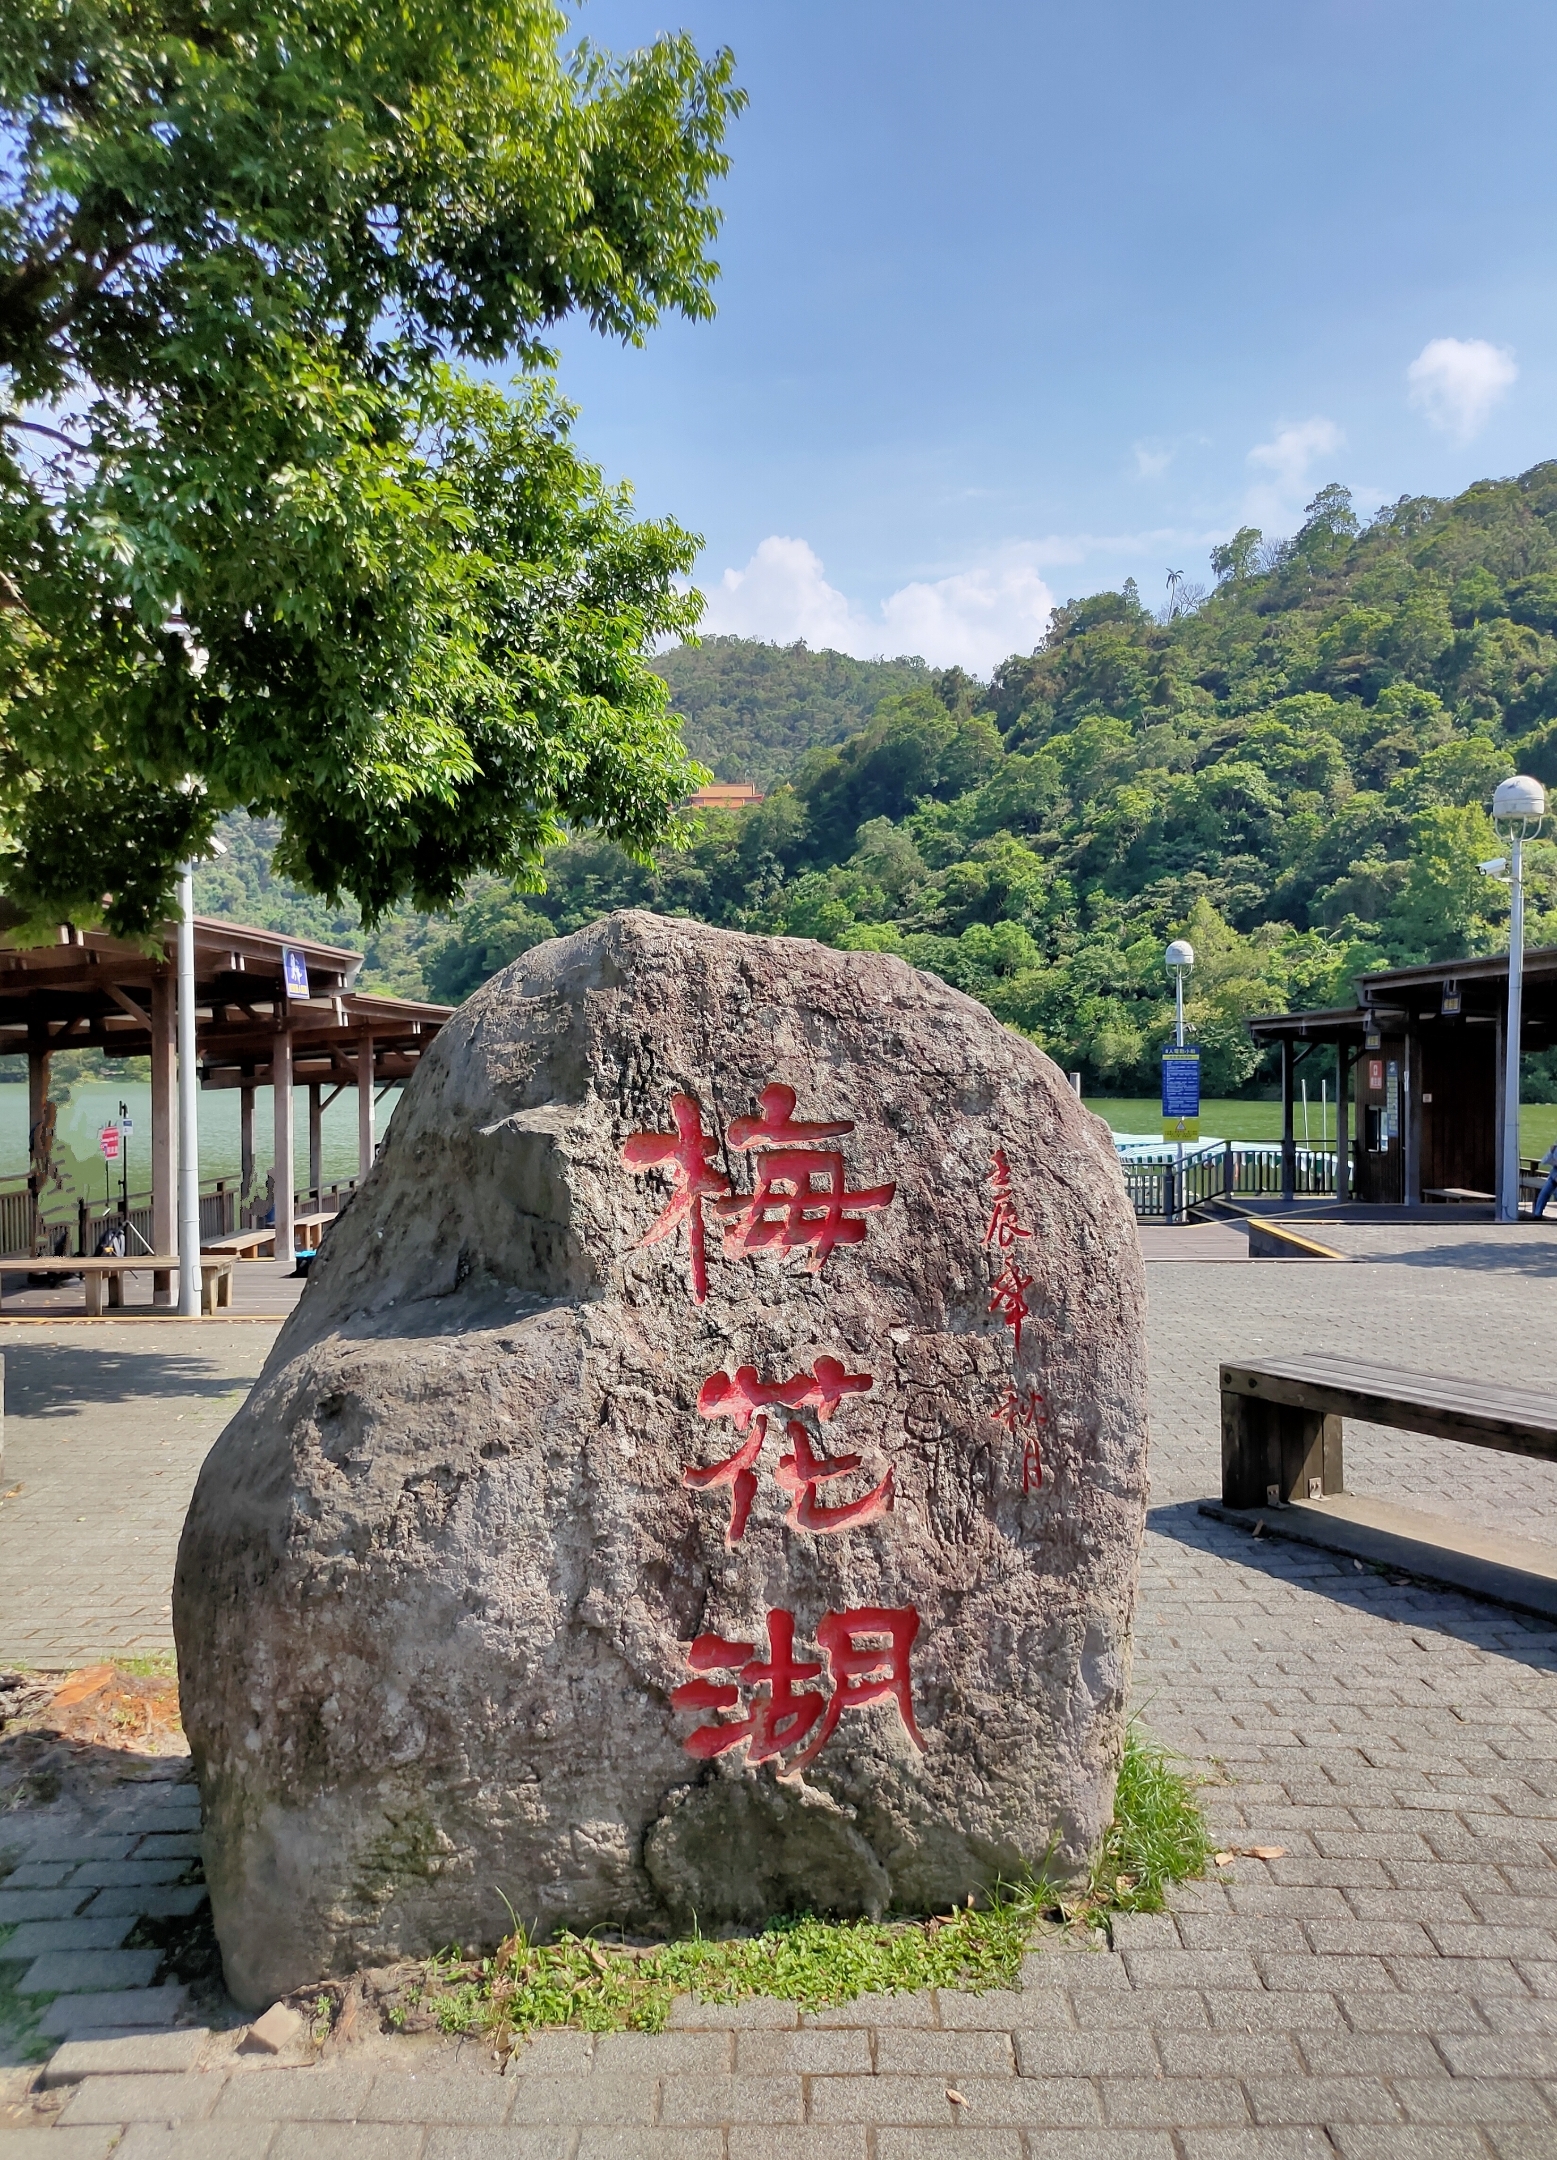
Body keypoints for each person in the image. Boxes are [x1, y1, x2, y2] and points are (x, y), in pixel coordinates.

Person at [1534, 1139, 1557, 1217]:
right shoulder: (1554, 1149)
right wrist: (1550, 1152)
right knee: (1544, 1193)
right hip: (1553, 1176)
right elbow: (1544, 1161)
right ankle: (1537, 1215)